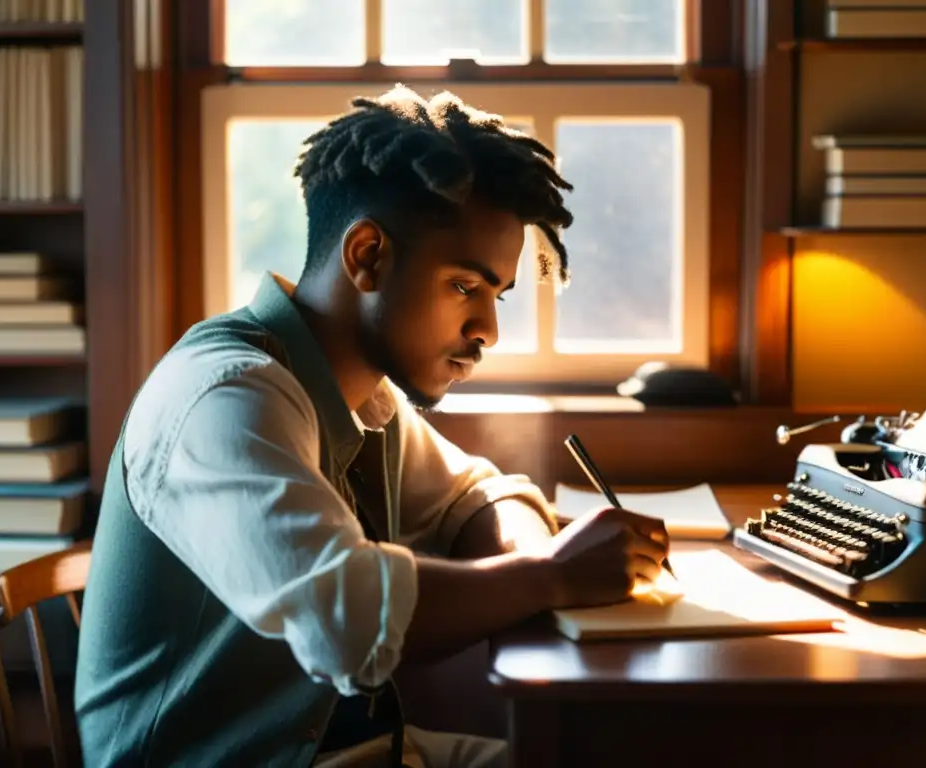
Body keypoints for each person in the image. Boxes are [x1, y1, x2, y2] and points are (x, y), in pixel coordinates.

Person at [74, 85, 668, 767]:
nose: (488, 331)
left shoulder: (363, 397)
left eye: (495, 295)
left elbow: (474, 495)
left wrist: (542, 559)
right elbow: (345, 622)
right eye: (464, 287)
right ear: (367, 256)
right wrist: (549, 577)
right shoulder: (224, 399)